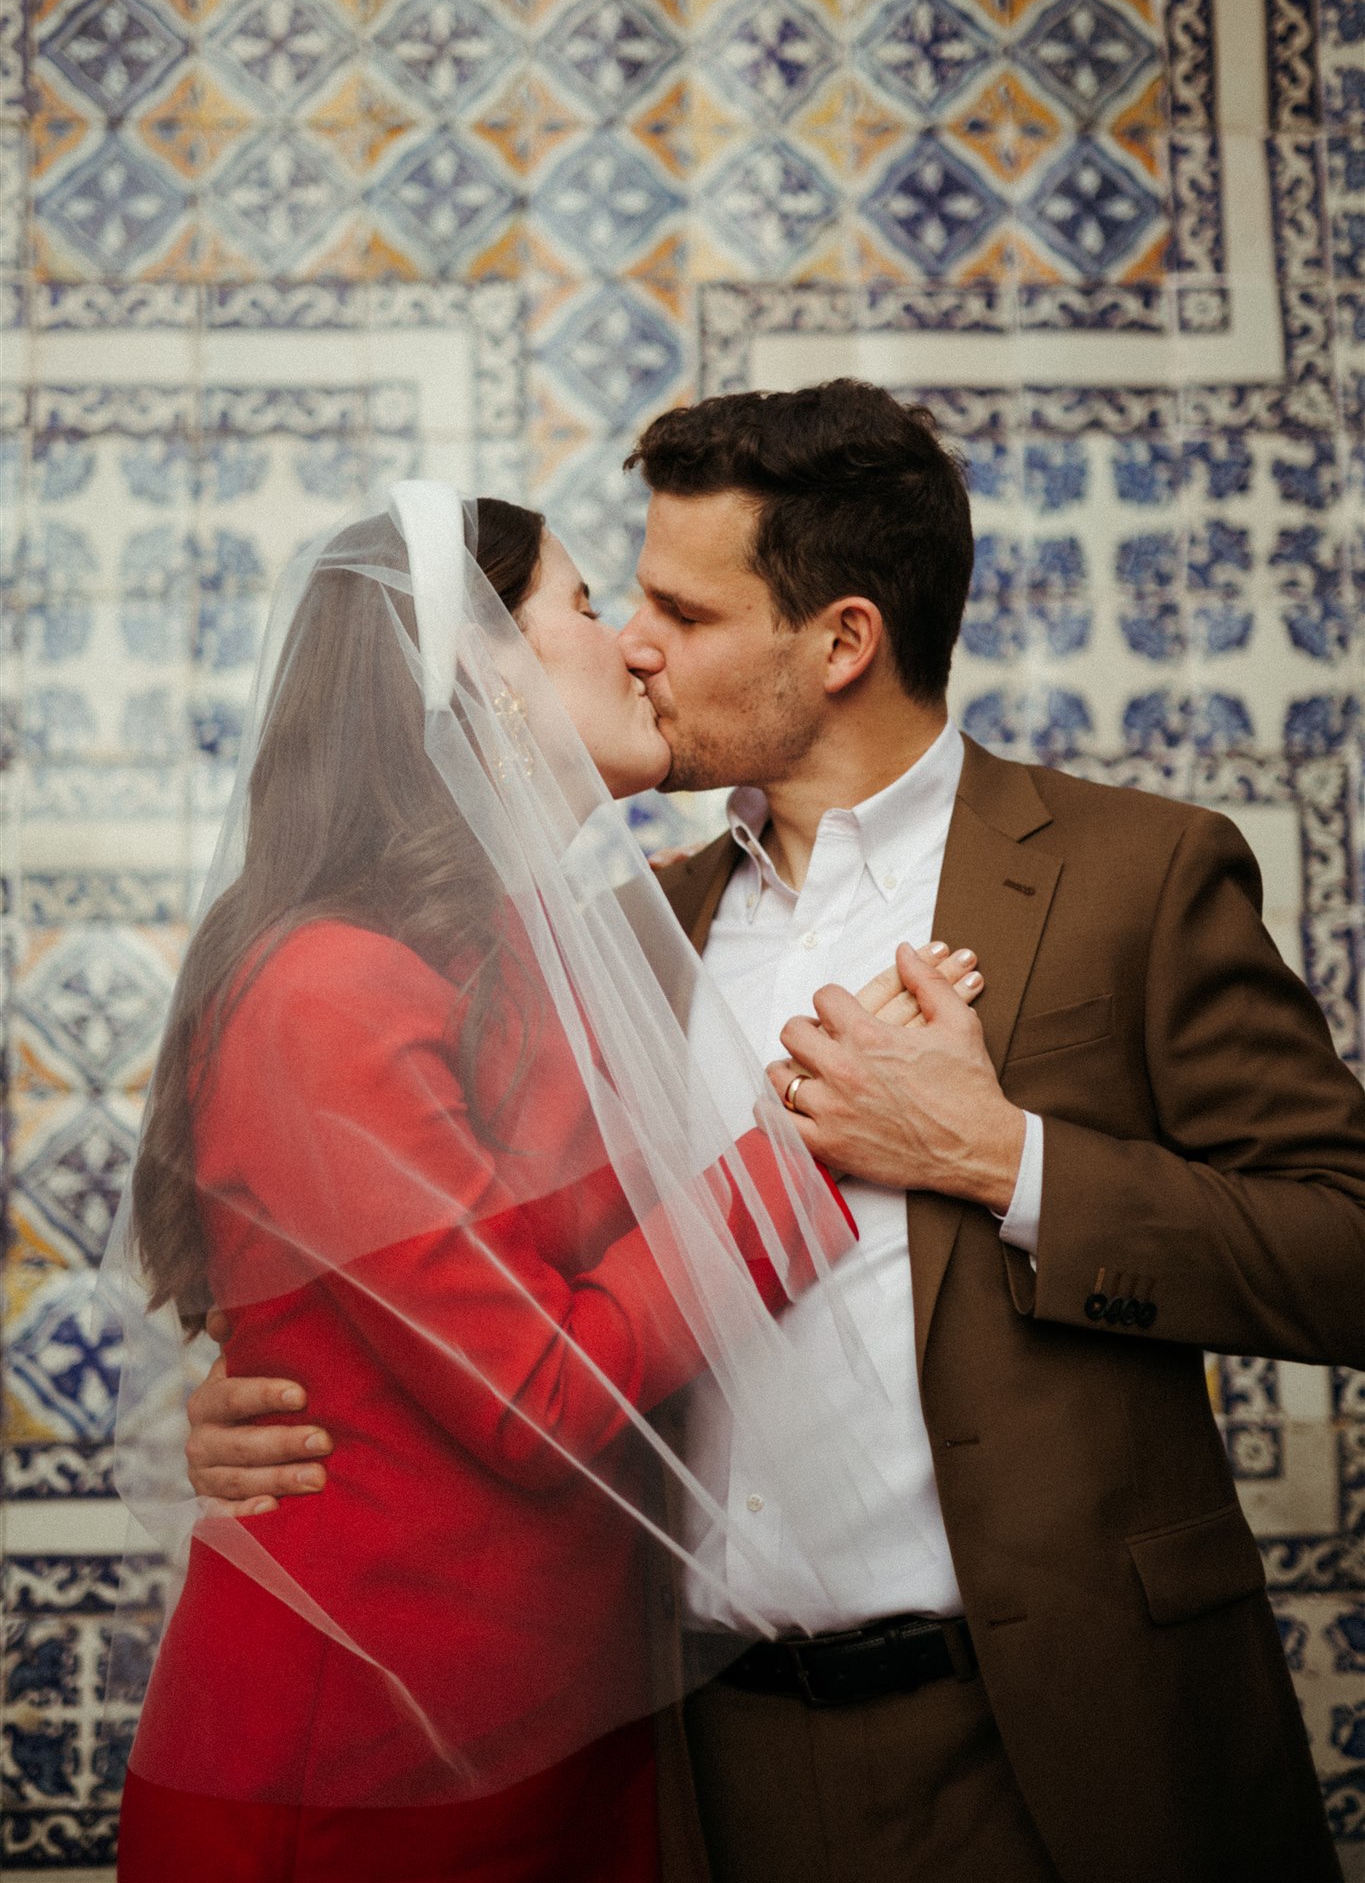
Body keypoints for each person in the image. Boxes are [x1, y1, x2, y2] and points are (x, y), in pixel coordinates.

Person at [187, 385, 1365, 1883]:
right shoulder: (619, 928)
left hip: (1050, 1742)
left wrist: (1002, 1160)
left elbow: (1348, 1247)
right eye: (624, 602)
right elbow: (487, 1291)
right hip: (691, 1765)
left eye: (678, 609)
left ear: (839, 641)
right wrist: (291, 1401)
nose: (635, 644)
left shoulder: (1134, 877)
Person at [108, 481, 979, 1883]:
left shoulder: (565, 952)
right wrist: (804, 1141)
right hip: (369, 1764)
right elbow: (536, 1397)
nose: (636, 644)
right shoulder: (326, 986)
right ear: (474, 672)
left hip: (574, 1732)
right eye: (583, 605)